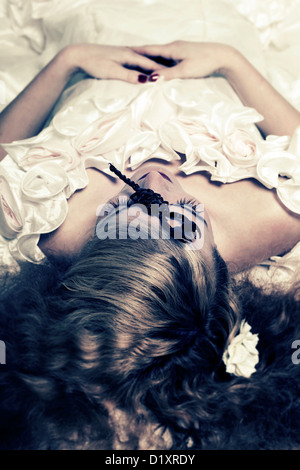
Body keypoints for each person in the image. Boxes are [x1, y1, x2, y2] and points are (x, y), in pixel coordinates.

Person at [0, 41, 300, 450]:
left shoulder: (57, 227)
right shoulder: (266, 221)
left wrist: (66, 61)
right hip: (212, 46)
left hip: (95, 50)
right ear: (208, 251)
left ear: (95, 243)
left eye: (125, 208)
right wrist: (231, 61)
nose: (153, 183)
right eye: (182, 219)